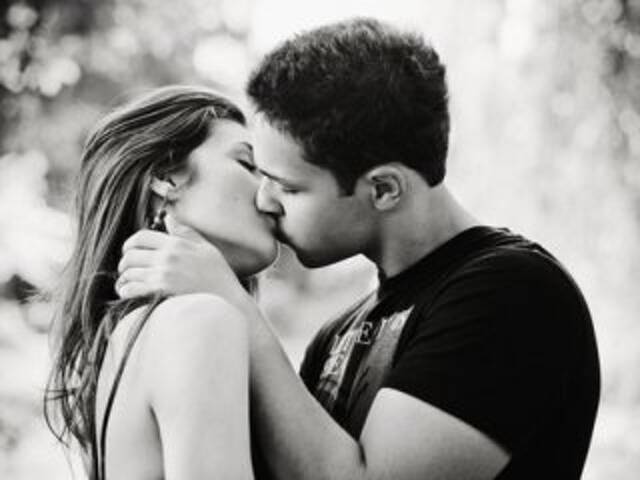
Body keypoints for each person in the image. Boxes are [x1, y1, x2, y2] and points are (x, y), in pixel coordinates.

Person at [118, 18, 601, 480]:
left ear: (384, 189)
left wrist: (235, 305)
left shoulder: (513, 295)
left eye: (288, 187)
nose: (264, 200)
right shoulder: (338, 333)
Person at [44, 85, 276, 479]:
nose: (270, 193)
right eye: (247, 164)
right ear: (166, 178)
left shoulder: (126, 335)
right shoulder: (198, 321)